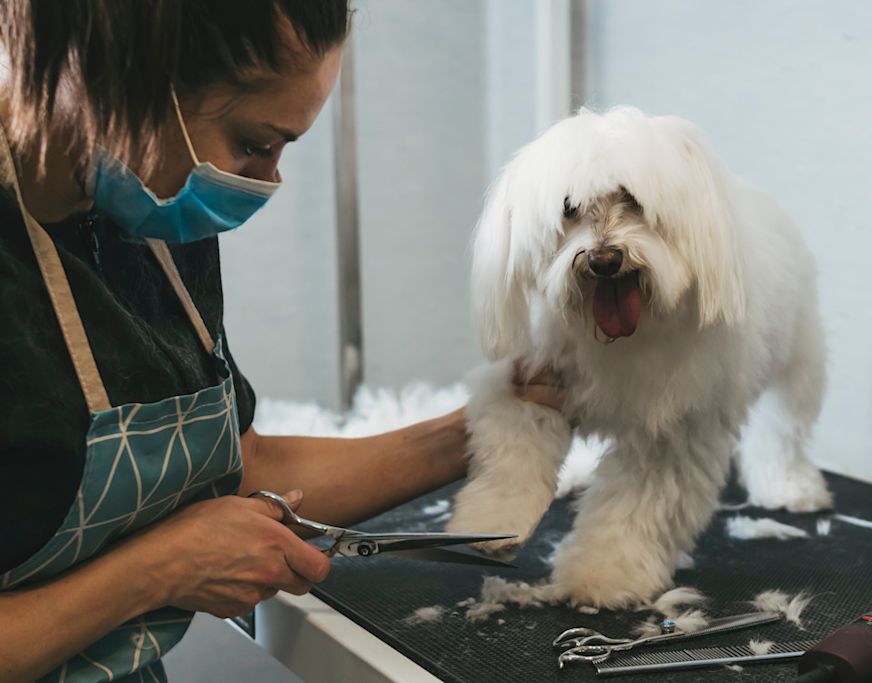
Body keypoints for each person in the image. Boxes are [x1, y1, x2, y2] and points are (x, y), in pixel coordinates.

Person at [0, 2, 561, 681]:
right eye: (256, 144)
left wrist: (491, 421)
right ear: (131, 82)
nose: (268, 180)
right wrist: (161, 568)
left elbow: (236, 466)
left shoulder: (151, 212)